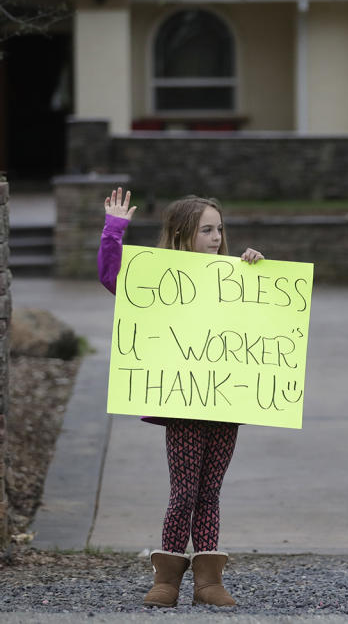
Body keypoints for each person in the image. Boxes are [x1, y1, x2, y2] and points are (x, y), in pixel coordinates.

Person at [98, 188, 264, 608]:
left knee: (210, 491)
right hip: (183, 402)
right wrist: (114, 230)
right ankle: (167, 580)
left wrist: (257, 272)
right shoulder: (159, 278)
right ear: (182, 234)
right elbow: (113, 277)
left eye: (219, 229)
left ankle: (208, 583)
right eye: (206, 229)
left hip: (226, 401)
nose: (216, 236)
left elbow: (262, 322)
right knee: (184, 492)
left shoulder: (235, 276)